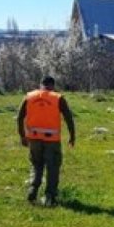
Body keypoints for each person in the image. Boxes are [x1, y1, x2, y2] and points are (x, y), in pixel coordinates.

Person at [17, 76, 76, 206]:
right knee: (53, 167)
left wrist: (22, 136)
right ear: (52, 85)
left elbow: (20, 117)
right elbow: (68, 118)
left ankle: (33, 189)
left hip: (33, 139)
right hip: (52, 140)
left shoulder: (29, 97)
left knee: (36, 165)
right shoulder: (58, 98)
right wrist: (72, 136)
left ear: (41, 84)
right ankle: (49, 196)